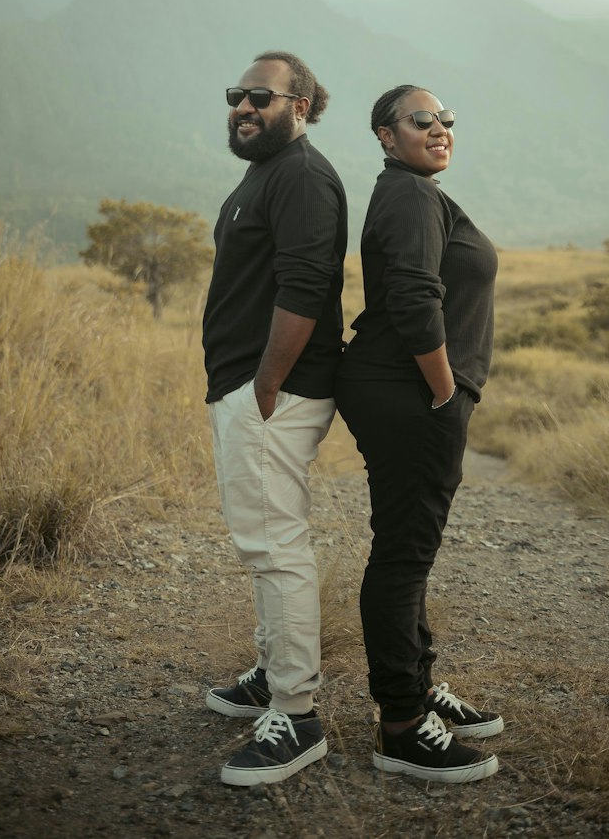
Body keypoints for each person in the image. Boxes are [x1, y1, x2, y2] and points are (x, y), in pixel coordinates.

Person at [335, 84, 501, 784]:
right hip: (411, 394)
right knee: (404, 555)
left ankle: (419, 686)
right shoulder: (408, 195)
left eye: (447, 120)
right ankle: (401, 726)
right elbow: (411, 297)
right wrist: (444, 389)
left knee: (407, 549)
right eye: (422, 119)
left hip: (404, 392)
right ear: (384, 133)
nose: (440, 129)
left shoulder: (414, 192)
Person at [202, 51, 347, 788]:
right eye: (238, 95)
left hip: (273, 391)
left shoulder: (304, 177)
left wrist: (265, 382)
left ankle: (297, 714)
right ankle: (271, 672)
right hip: (251, 385)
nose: (244, 106)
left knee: (275, 544)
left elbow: (307, 282)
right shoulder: (266, 172)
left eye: (261, 95)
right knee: (261, 542)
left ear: (302, 104)